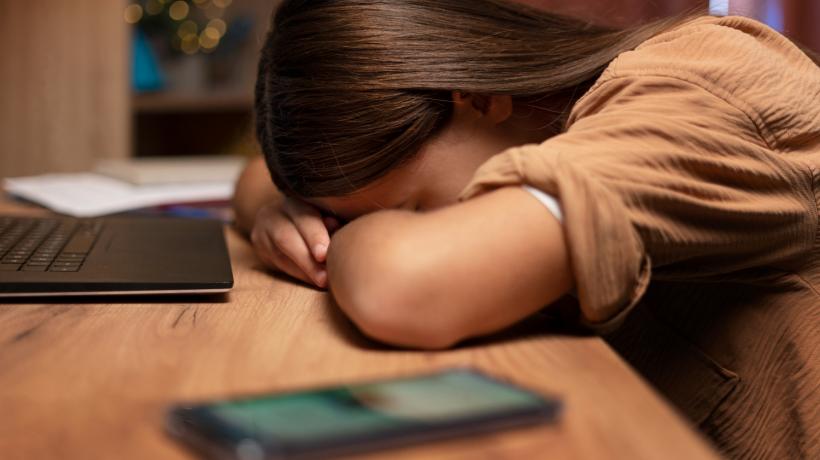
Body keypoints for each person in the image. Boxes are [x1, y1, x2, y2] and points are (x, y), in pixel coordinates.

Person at [233, 0, 819, 457]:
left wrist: (347, 242)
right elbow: (252, 177)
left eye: (411, 212)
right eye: (349, 221)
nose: (396, 233)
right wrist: (286, 214)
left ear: (480, 99)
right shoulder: (542, 129)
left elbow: (406, 285)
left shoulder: (701, 84)